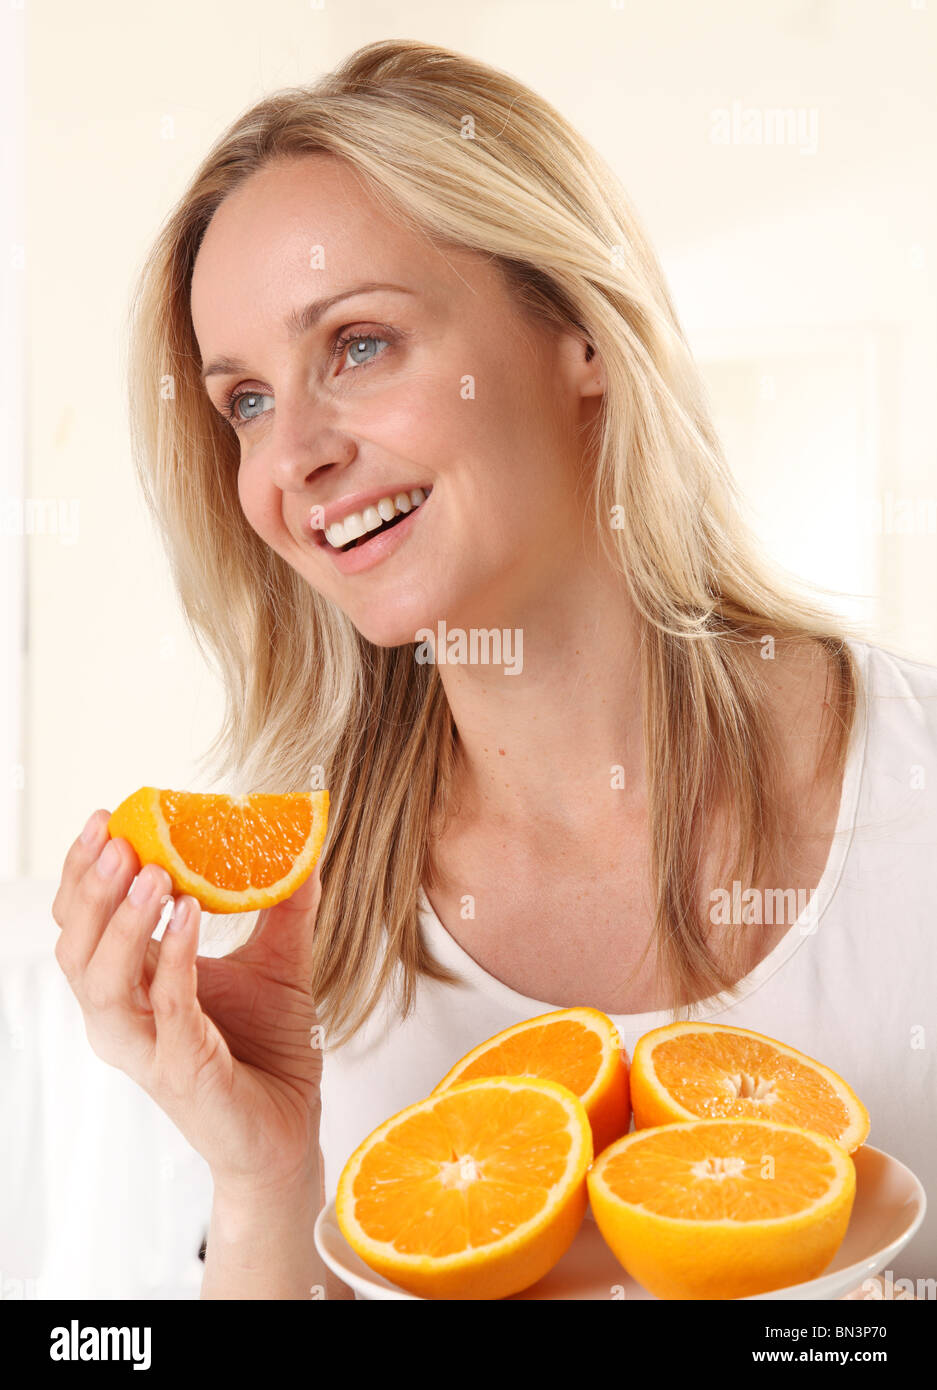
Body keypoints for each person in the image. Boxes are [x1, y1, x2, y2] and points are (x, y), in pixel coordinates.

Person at [52, 39, 936, 1300]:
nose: (289, 456)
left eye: (356, 345)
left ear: (577, 331)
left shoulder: (916, 789)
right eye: (243, 400)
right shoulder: (287, 935)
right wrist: (262, 1179)